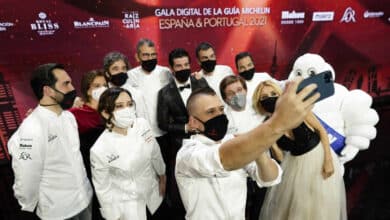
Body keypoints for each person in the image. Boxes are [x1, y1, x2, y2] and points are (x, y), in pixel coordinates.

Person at [8, 63, 93, 219]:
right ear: (47, 90)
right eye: (66, 84)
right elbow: (26, 176)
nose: (72, 88)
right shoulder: (31, 128)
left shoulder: (69, 118)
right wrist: (27, 205)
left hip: (85, 200)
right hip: (59, 211)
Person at [253, 80, 347, 220]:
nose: (270, 98)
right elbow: (279, 157)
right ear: (259, 103)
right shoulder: (267, 126)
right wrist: (270, 140)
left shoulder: (298, 109)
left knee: (322, 207)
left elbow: (321, 131)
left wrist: (328, 160)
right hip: (294, 166)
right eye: (264, 97)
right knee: (298, 210)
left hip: (319, 157)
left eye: (273, 93)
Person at [90, 87, 166, 220]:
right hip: (129, 208)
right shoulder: (99, 149)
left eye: (130, 104)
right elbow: (103, 189)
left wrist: (162, 175)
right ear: (106, 113)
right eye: (119, 106)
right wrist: (112, 216)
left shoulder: (142, 124)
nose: (127, 109)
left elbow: (155, 152)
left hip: (154, 195)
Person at [157, 48, 208, 219]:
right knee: (183, 191)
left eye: (186, 64)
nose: (183, 68)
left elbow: (213, 110)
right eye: (179, 66)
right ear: (171, 68)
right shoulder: (164, 93)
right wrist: (185, 128)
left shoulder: (201, 83)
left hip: (205, 143)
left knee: (205, 187)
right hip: (179, 148)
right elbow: (162, 123)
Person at [219, 75, 269, 220]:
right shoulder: (223, 119)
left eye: (239, 90)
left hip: (263, 166)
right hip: (238, 173)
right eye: (231, 93)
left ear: (246, 90)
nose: (237, 95)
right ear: (225, 99)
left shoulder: (259, 107)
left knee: (260, 208)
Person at [68, 69, 107, 220]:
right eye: (97, 86)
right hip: (91, 169)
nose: (102, 89)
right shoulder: (75, 113)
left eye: (104, 85)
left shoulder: (113, 109)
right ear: (88, 90)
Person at [127, 39, 171, 164]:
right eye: (145, 55)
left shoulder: (165, 72)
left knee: (166, 167)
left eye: (153, 55)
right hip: (141, 134)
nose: (150, 58)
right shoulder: (130, 76)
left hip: (164, 132)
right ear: (137, 57)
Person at [103, 51, 149, 122]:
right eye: (115, 69)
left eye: (123, 68)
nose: (120, 72)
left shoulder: (136, 94)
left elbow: (143, 121)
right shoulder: (102, 94)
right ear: (107, 74)